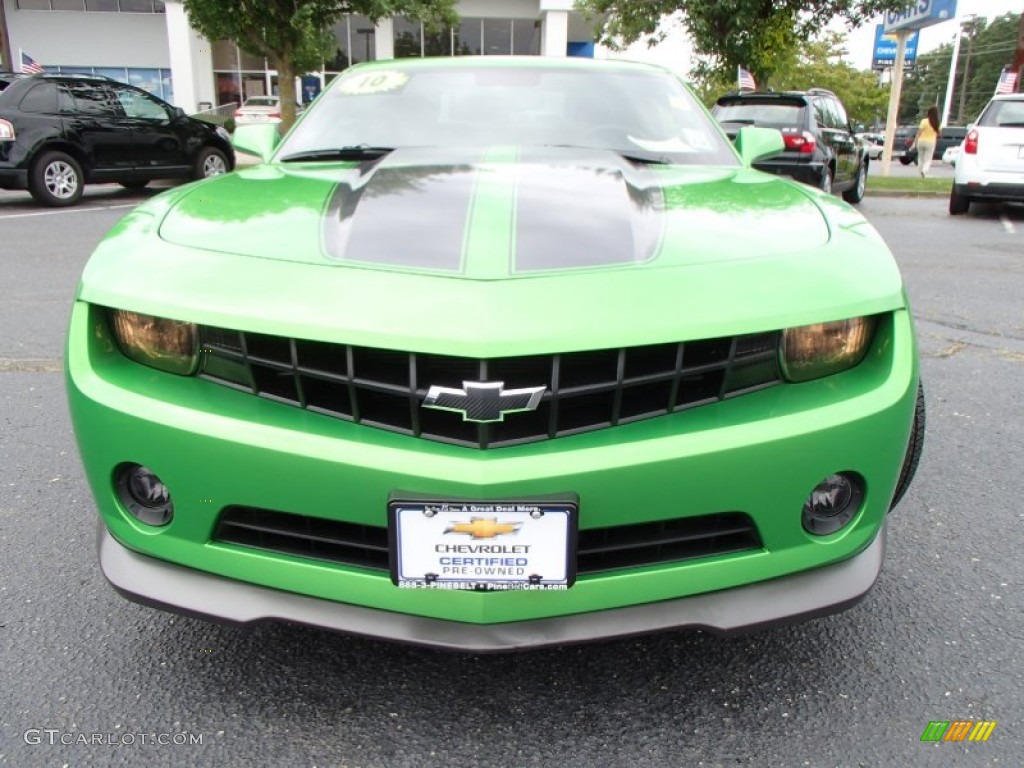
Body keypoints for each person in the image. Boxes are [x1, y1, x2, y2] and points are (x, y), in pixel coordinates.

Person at [914, 106, 940, 178]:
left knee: (921, 158)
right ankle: (924, 171)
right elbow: (938, 133)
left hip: (921, 141)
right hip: (931, 142)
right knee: (928, 159)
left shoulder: (924, 121)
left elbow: (919, 132)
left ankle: (920, 173)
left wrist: (914, 142)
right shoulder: (937, 123)